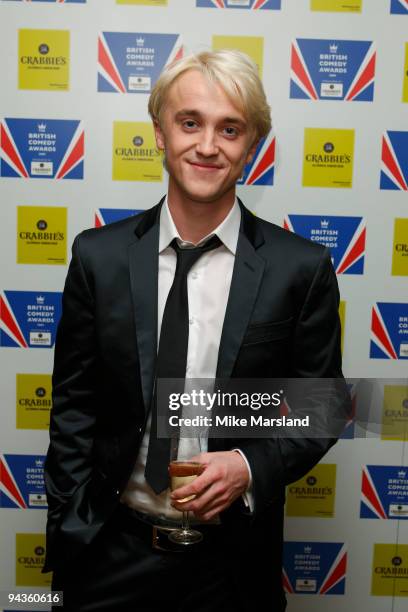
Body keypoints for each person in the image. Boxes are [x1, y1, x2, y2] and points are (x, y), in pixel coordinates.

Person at [44, 50, 345, 612]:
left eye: (229, 129)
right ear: (159, 132)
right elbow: (73, 409)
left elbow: (324, 405)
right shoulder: (98, 258)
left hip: (232, 568)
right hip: (109, 553)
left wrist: (250, 466)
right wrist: (69, 522)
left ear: (251, 144)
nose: (208, 146)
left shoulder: (299, 268)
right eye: (190, 123)